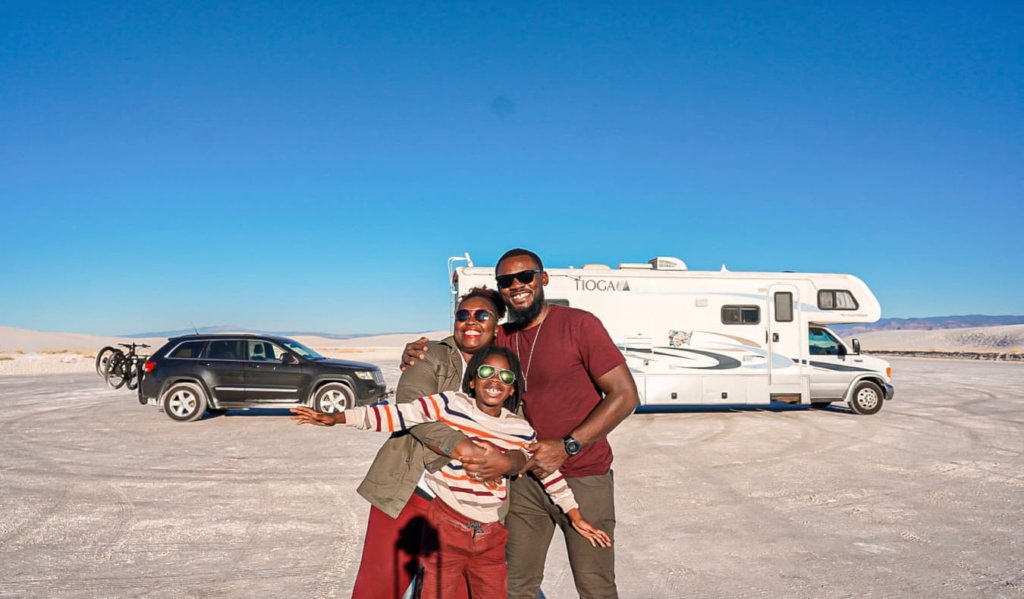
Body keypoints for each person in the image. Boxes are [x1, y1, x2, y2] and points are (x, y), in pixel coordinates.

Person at [403, 248, 640, 599]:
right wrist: (416, 351)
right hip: (525, 481)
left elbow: (625, 396)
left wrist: (567, 446)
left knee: (595, 585)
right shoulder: (501, 337)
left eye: (525, 276)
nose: (516, 285)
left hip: (585, 477)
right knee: (514, 586)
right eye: (506, 281)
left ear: (542, 279)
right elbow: (461, 342)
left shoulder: (579, 325)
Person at [292, 345, 611, 599]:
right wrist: (338, 418)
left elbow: (547, 473)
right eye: (486, 372)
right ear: (472, 380)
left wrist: (575, 514)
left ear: (513, 388)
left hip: (490, 537)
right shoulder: (449, 404)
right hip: (446, 530)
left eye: (505, 377)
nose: (495, 381)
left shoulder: (520, 430)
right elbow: (400, 415)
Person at [341, 287, 510, 599]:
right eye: (463, 314)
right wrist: (466, 450)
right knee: (379, 588)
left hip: (465, 509)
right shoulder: (430, 354)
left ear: (496, 325)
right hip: (409, 491)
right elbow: (412, 410)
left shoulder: (504, 370)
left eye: (481, 315)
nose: (470, 321)